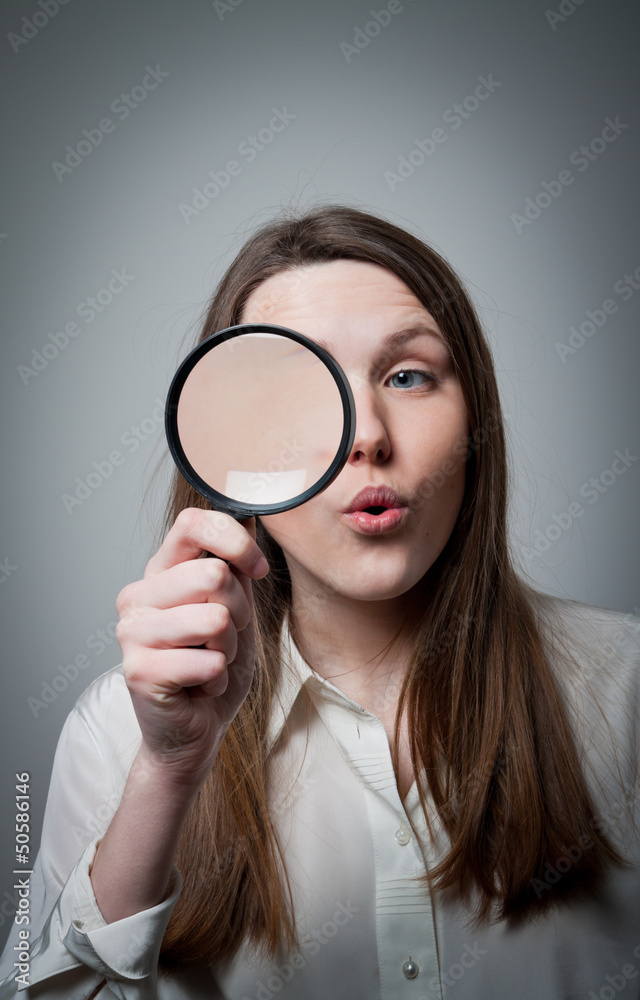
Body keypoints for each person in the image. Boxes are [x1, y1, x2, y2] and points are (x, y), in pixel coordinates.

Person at [0, 204, 638, 1000]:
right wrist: (167, 774)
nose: (366, 433)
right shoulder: (116, 738)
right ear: (231, 445)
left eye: (408, 376)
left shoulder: (629, 691)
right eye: (305, 390)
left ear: (478, 422)